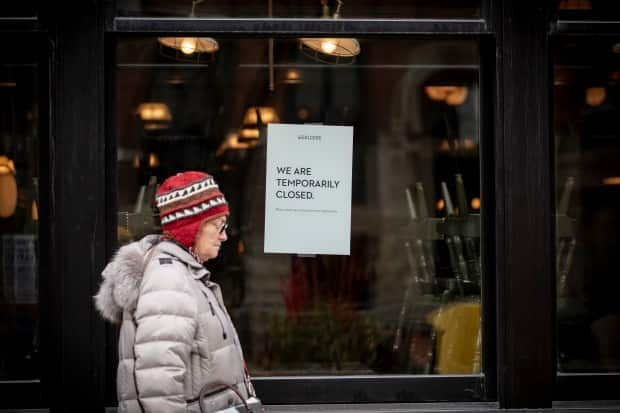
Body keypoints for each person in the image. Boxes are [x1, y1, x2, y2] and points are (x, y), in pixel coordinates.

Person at [95, 171, 257, 413]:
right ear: (192, 228)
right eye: (217, 224)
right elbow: (159, 384)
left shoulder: (183, 273)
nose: (224, 235)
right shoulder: (168, 280)